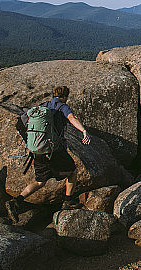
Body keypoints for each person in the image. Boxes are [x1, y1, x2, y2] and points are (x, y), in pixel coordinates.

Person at [6, 85, 91, 221]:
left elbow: (21, 122)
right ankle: (68, 201)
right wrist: (83, 131)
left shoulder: (43, 106)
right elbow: (71, 118)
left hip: (38, 150)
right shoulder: (62, 107)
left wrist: (30, 142)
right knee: (73, 171)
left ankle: (16, 201)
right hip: (54, 150)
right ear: (65, 96)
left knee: (40, 182)